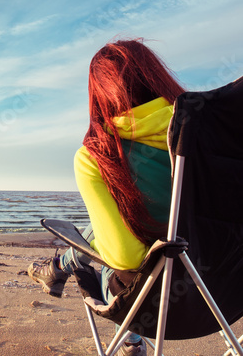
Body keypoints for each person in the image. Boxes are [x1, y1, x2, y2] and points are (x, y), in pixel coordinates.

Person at [28, 38, 185, 356]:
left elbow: (125, 258)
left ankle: (64, 268)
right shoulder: (214, 131)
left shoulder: (97, 157)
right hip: (227, 292)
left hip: (159, 305)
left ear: (100, 95)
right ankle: (59, 268)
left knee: (117, 242)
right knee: (125, 218)